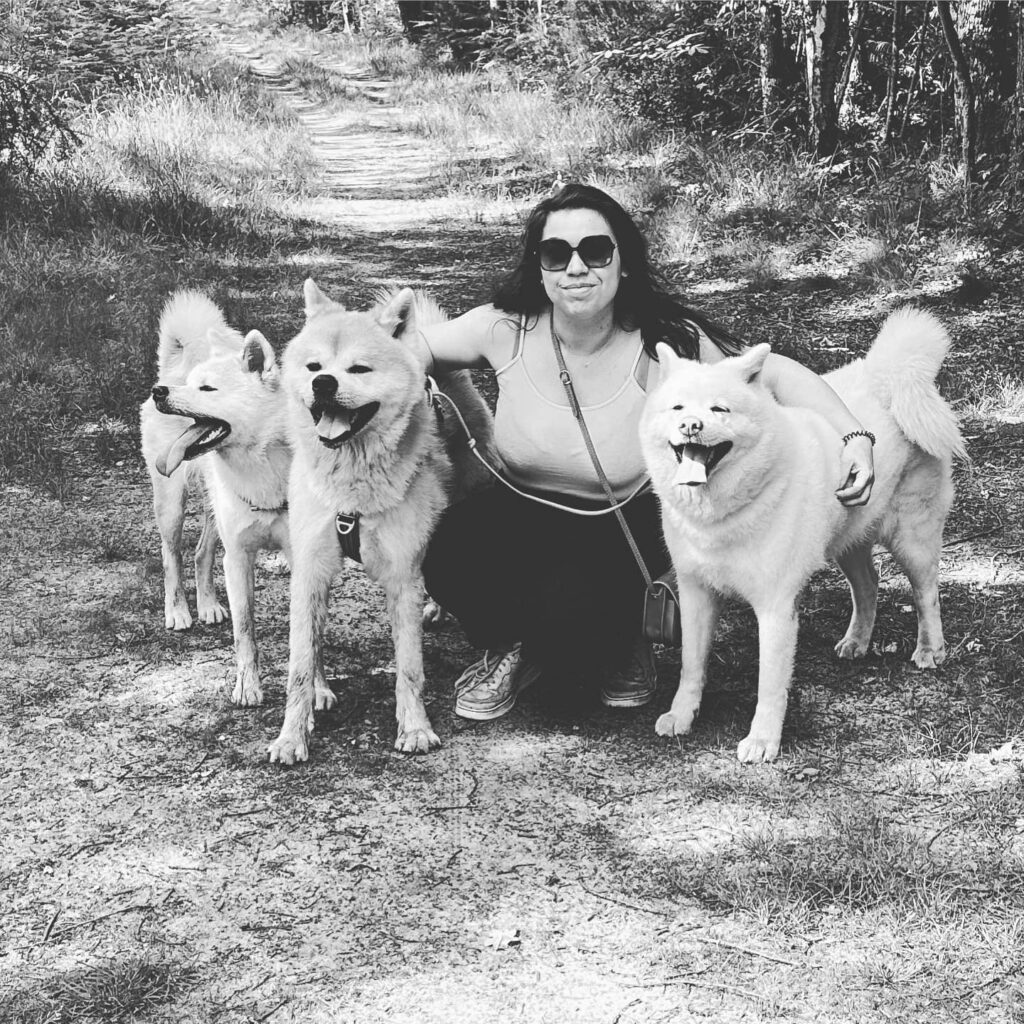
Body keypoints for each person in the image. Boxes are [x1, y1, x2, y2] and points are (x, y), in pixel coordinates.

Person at [417, 183, 875, 722]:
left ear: (622, 262)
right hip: (527, 508)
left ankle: (621, 639)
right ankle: (512, 645)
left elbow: (772, 371)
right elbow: (411, 351)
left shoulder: (666, 337)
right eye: (555, 253)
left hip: (626, 521)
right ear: (538, 267)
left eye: (595, 250)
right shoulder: (503, 327)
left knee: (571, 611)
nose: (575, 268)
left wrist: (853, 435)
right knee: (443, 548)